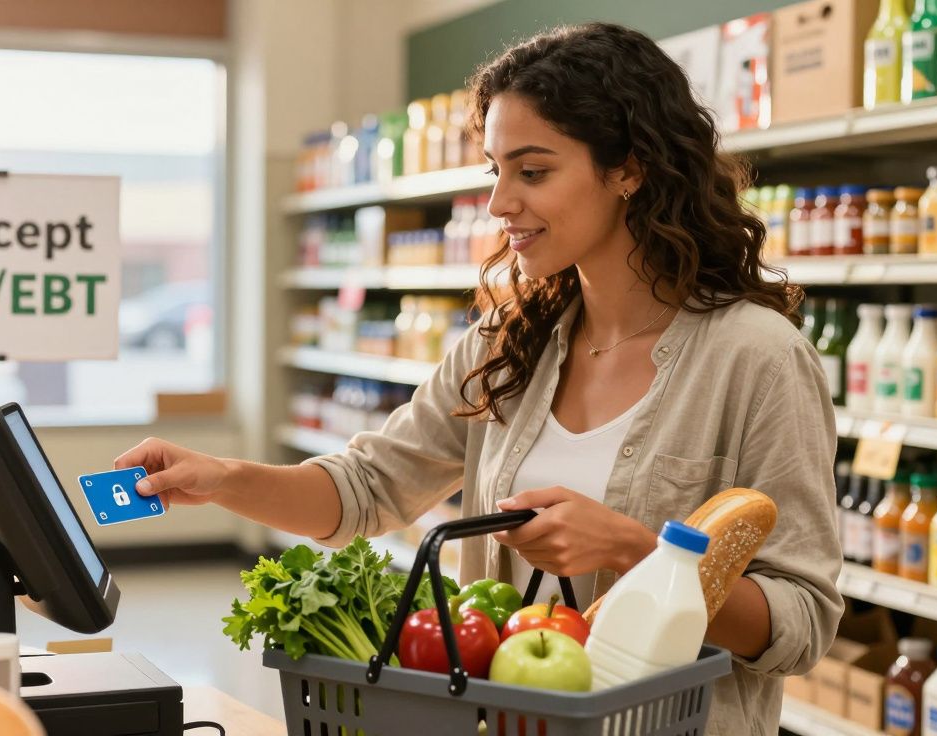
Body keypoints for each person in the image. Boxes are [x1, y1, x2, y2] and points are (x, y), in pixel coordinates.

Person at [115, 23, 842, 734]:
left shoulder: (758, 360)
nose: (500, 203)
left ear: (629, 168)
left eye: (533, 171)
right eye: (495, 170)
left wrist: (635, 551)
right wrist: (220, 478)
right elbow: (367, 488)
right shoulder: (507, 346)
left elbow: (802, 623)